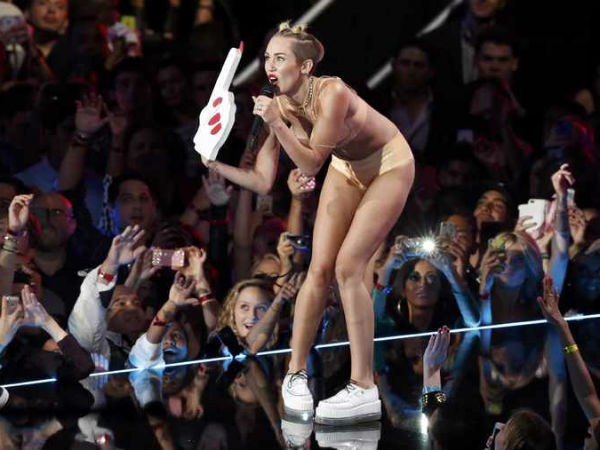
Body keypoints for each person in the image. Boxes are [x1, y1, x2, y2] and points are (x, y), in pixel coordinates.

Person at [203, 21, 415, 424]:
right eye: (267, 57)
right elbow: (262, 180)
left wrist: (277, 124)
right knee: (318, 270)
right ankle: (294, 376)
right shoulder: (279, 105)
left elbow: (312, 162)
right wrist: (215, 164)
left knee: (348, 267)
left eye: (279, 58)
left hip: (389, 164)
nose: (270, 65)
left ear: (304, 67)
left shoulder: (332, 92)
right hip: (346, 167)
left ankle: (363, 386)